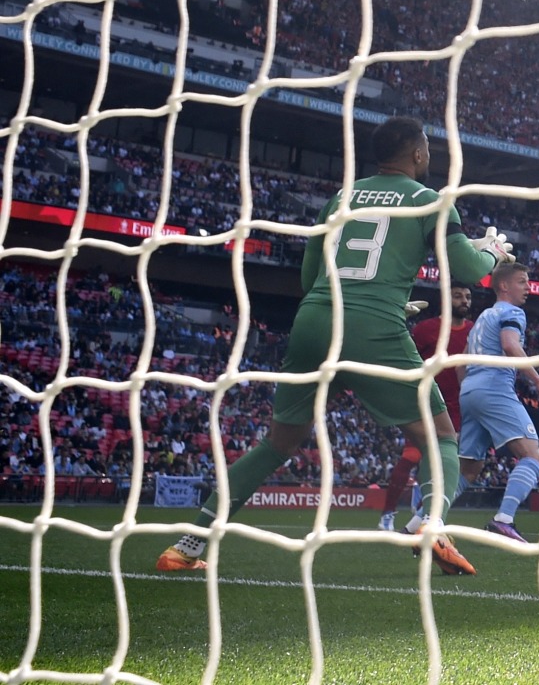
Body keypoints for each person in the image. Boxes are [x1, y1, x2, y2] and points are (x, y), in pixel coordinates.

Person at [156, 116, 513, 576]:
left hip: (315, 320)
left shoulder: (340, 198)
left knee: (277, 443)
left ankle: (186, 546)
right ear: (418, 153)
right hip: (372, 327)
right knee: (440, 436)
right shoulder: (430, 199)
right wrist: (492, 253)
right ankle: (432, 524)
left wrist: (380, 302)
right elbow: (467, 269)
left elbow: (312, 278)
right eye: (427, 147)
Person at [457, 262, 539, 543]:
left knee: (468, 470)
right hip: (494, 386)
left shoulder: (482, 318)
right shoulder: (513, 312)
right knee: (533, 456)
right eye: (522, 282)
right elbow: (510, 344)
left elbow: (460, 362)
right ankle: (503, 519)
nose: (528, 287)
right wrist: (538, 381)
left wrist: (471, 390)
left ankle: (419, 521)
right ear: (504, 286)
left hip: (470, 390)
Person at [378, 281, 474, 533]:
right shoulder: (426, 329)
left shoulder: (474, 331)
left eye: (467, 296)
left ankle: (424, 512)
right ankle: (387, 514)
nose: (464, 301)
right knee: (412, 456)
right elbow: (407, 360)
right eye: (457, 296)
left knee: (447, 463)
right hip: (426, 402)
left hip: (459, 409)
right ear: (446, 300)